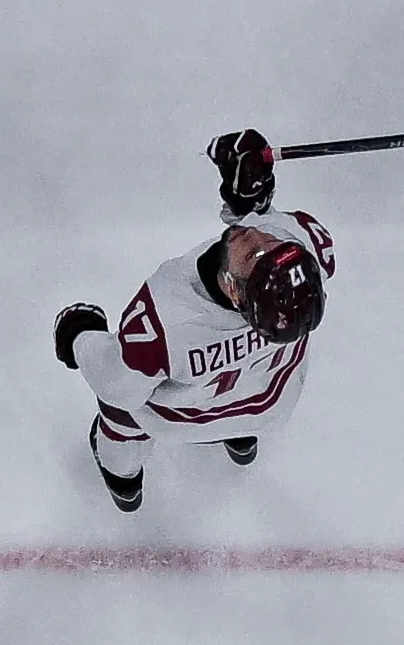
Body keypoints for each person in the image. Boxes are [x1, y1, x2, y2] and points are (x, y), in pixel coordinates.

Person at [55, 129, 333, 514]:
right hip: (270, 404)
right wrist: (252, 192)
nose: (259, 236)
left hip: (182, 419)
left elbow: (115, 383)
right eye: (272, 246)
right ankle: (241, 440)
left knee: (120, 410)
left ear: (235, 293)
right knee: (251, 384)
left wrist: (80, 335)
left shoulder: (165, 316)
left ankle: (123, 479)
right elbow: (266, 226)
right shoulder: (302, 251)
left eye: (253, 255)